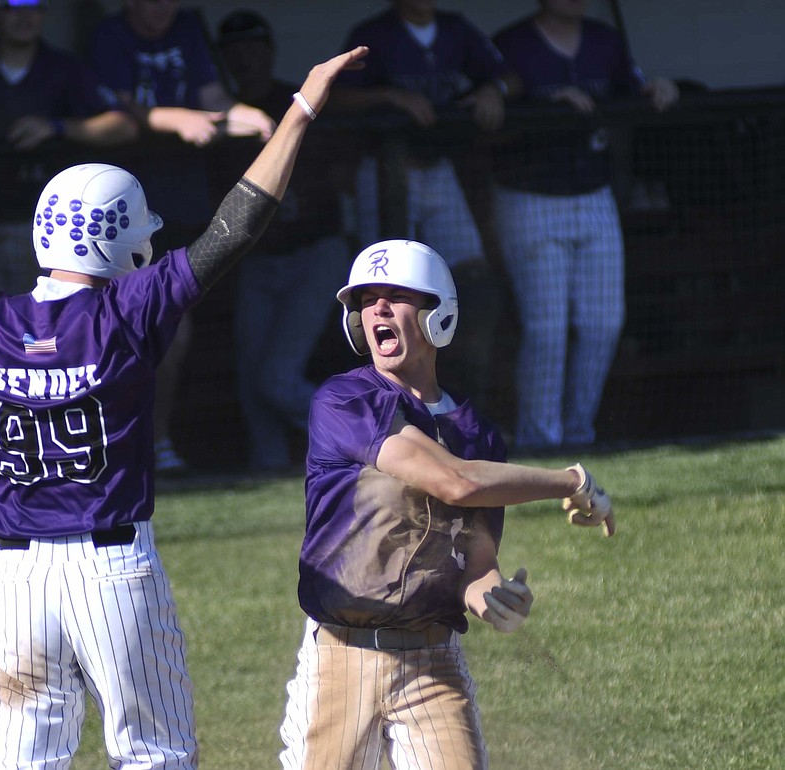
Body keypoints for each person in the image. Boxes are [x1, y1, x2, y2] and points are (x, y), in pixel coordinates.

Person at [0, 45, 369, 770]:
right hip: (112, 572)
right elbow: (236, 227)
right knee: (155, 755)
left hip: (15, 581)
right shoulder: (127, 312)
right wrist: (300, 109)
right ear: (122, 239)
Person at [278, 239, 615, 769]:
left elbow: (472, 565)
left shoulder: (479, 436)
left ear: (439, 315)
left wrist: (492, 599)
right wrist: (569, 481)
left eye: (396, 296)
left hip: (433, 665)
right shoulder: (346, 400)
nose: (378, 310)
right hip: (340, 658)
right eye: (367, 300)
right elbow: (454, 482)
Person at [88, 0, 276, 474]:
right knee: (114, 332)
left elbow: (213, 100)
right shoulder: (109, 37)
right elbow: (119, 106)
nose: (160, 9)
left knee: (171, 331)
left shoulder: (187, 28)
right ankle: (118, 442)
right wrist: (176, 119)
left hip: (177, 214)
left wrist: (246, 115)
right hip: (114, 219)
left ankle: (155, 439)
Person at [491, 0, 679, 452]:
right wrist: (541, 103)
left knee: (603, 323)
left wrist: (658, 89)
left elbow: (631, 87)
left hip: (593, 193)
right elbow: (486, 104)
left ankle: (579, 435)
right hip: (530, 196)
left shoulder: (604, 40)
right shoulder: (510, 44)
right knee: (547, 329)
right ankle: (542, 442)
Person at [331, 0, 519, 415]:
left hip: (439, 168)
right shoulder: (375, 33)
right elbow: (336, 96)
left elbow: (510, 77)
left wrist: (493, 89)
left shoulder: (455, 29)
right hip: (382, 173)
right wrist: (391, 97)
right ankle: (384, 407)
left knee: (472, 279)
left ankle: (461, 400)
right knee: (376, 291)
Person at [215, 10, 350, 472]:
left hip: (316, 254)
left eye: (254, 47)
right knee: (255, 383)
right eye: (235, 51)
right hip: (256, 259)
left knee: (276, 379)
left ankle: (370, 436)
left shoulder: (297, 102)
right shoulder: (219, 115)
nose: (246, 59)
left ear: (270, 50)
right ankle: (269, 470)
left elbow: (342, 175)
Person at [0, 0, 137, 294]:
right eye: (12, 6)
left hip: (49, 229)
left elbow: (123, 126)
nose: (25, 15)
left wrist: (57, 127)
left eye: (34, 5)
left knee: (42, 324)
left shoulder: (64, 66)